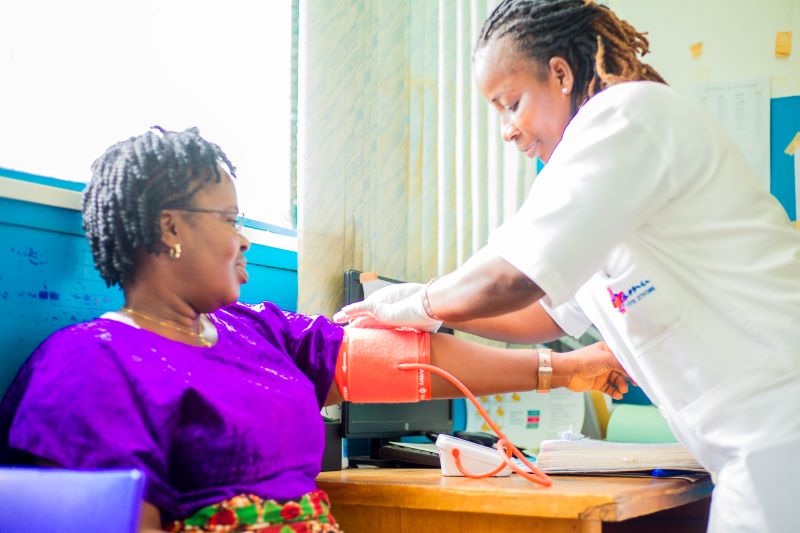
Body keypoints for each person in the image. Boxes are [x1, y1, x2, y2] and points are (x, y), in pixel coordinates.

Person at [0, 127, 629, 533]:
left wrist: (567, 368)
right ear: (169, 228)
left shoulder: (253, 332)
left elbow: (407, 361)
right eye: (229, 218)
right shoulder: (87, 368)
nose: (244, 239)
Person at [334, 1, 800, 532]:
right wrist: (435, 309)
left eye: (511, 103)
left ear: (560, 73)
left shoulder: (625, 117)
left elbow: (512, 278)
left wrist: (420, 302)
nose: (507, 130)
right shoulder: (605, 185)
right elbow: (546, 312)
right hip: (754, 441)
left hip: (779, 426)